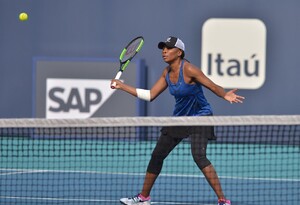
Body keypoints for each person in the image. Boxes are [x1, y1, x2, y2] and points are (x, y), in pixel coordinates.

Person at [111, 36, 244, 205]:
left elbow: (212, 86)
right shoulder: (166, 72)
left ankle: (223, 200)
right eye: (163, 48)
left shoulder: (189, 69)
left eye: (168, 48)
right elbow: (150, 95)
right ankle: (143, 198)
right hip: (180, 119)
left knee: (199, 157)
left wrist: (225, 94)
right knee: (157, 155)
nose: (164, 51)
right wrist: (122, 86)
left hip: (200, 117)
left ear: (179, 52)